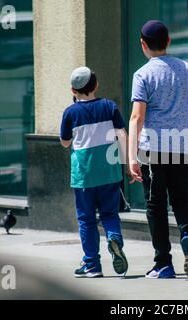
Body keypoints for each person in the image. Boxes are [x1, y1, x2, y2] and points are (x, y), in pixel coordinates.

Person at [128, 20, 188, 279]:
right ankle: (187, 236)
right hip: (183, 147)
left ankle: (163, 263)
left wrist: (131, 157)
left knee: (156, 204)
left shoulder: (142, 75)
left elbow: (136, 118)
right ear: (168, 41)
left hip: (153, 150)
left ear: (143, 44)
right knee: (183, 199)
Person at [60, 66, 130, 278]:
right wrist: (128, 164)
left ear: (73, 90)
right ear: (96, 84)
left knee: (87, 220)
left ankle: (91, 264)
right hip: (109, 173)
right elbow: (123, 135)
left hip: (84, 176)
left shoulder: (70, 113)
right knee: (110, 213)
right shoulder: (109, 106)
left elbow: (65, 143)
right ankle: (114, 237)